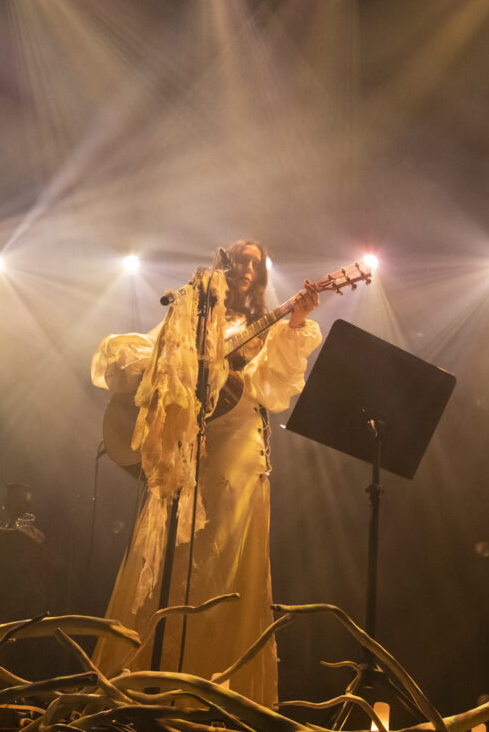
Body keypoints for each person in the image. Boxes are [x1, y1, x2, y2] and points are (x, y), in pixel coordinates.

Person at [89, 240, 321, 706]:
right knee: (168, 555)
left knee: (224, 563)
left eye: (257, 263)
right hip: (187, 448)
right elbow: (149, 358)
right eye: (241, 259)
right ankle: (141, 688)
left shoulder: (268, 327)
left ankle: (211, 698)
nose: (247, 269)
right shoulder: (194, 314)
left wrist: (294, 323)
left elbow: (271, 388)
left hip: (236, 448)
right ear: (224, 263)